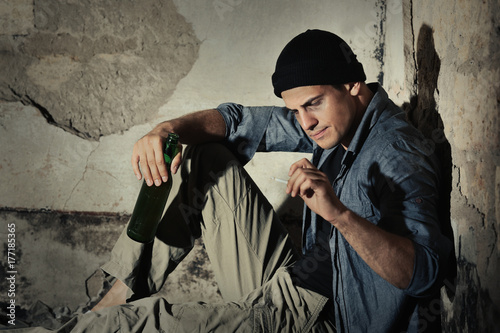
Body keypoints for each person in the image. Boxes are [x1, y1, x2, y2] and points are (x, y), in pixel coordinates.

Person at [9, 29, 453, 332]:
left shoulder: (397, 152)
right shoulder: (338, 118)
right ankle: (120, 292)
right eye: (296, 110)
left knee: (138, 326)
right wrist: (164, 131)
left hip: (318, 320)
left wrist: (338, 214)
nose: (306, 123)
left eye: (313, 104)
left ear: (354, 84)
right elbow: (238, 121)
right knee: (205, 156)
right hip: (292, 283)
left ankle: (100, 320)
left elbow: (426, 275)